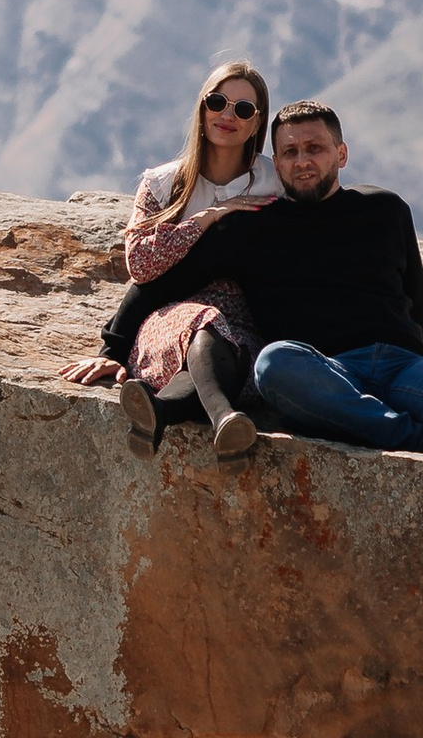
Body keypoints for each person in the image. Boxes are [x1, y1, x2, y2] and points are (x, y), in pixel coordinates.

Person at [90, 99, 423, 487]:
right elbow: (159, 282)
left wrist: (415, 353)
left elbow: (413, 297)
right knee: (273, 365)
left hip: (398, 362)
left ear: (341, 154)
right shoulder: (251, 227)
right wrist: (112, 349)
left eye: (315, 148)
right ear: (276, 163)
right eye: (290, 152)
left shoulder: (385, 209)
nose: (303, 161)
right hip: (321, 370)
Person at [63, 59, 278, 458]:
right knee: (203, 322)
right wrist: (205, 219)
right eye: (218, 102)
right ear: (202, 107)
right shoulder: (161, 185)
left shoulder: (275, 184)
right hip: (169, 317)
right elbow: (141, 265)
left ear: (256, 123)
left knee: (223, 351)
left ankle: (158, 411)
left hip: (247, 325)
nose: (227, 116)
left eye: (243, 109)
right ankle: (225, 419)